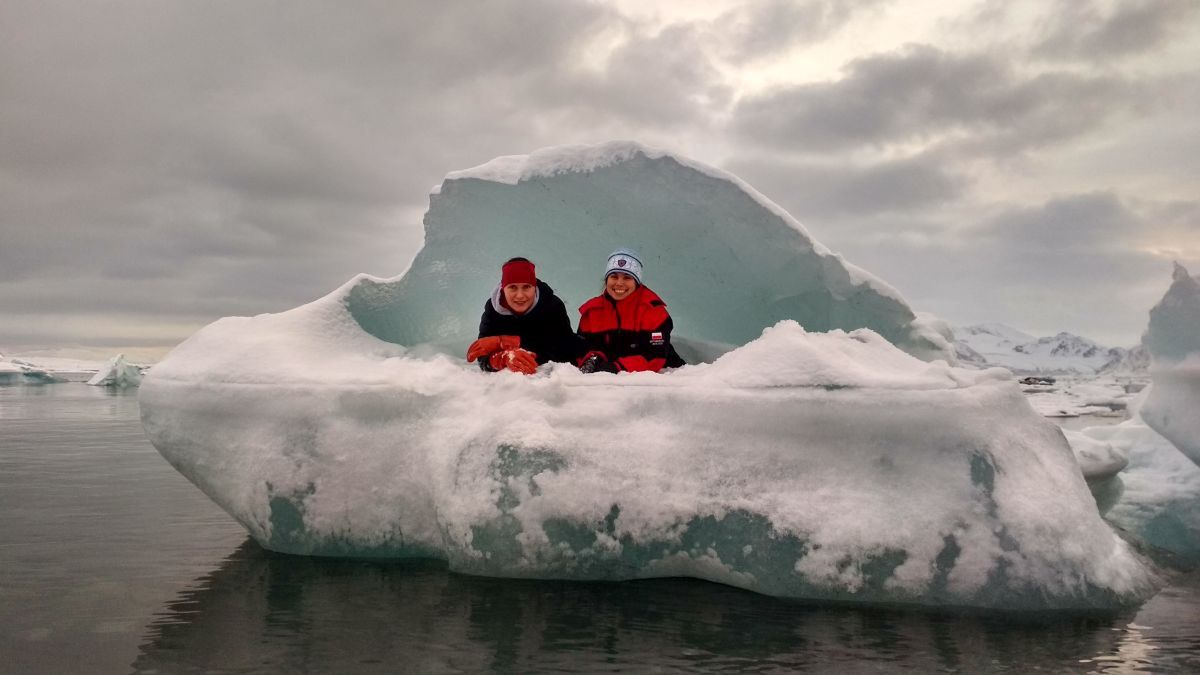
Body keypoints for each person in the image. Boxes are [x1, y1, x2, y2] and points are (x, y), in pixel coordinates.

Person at [576, 248, 685, 373]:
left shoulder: (653, 312)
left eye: (627, 278)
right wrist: (593, 359)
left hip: (662, 380)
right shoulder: (591, 312)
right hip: (606, 381)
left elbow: (655, 357)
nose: (619, 283)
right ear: (606, 280)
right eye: (614, 276)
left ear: (636, 282)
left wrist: (618, 367)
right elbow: (582, 350)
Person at [466, 257, 583, 374]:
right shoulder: (492, 309)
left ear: (534, 287)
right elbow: (483, 357)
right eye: (512, 287)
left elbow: (562, 350)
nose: (520, 295)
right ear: (503, 288)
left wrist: (505, 342)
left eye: (526, 287)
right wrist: (501, 358)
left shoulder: (551, 305)